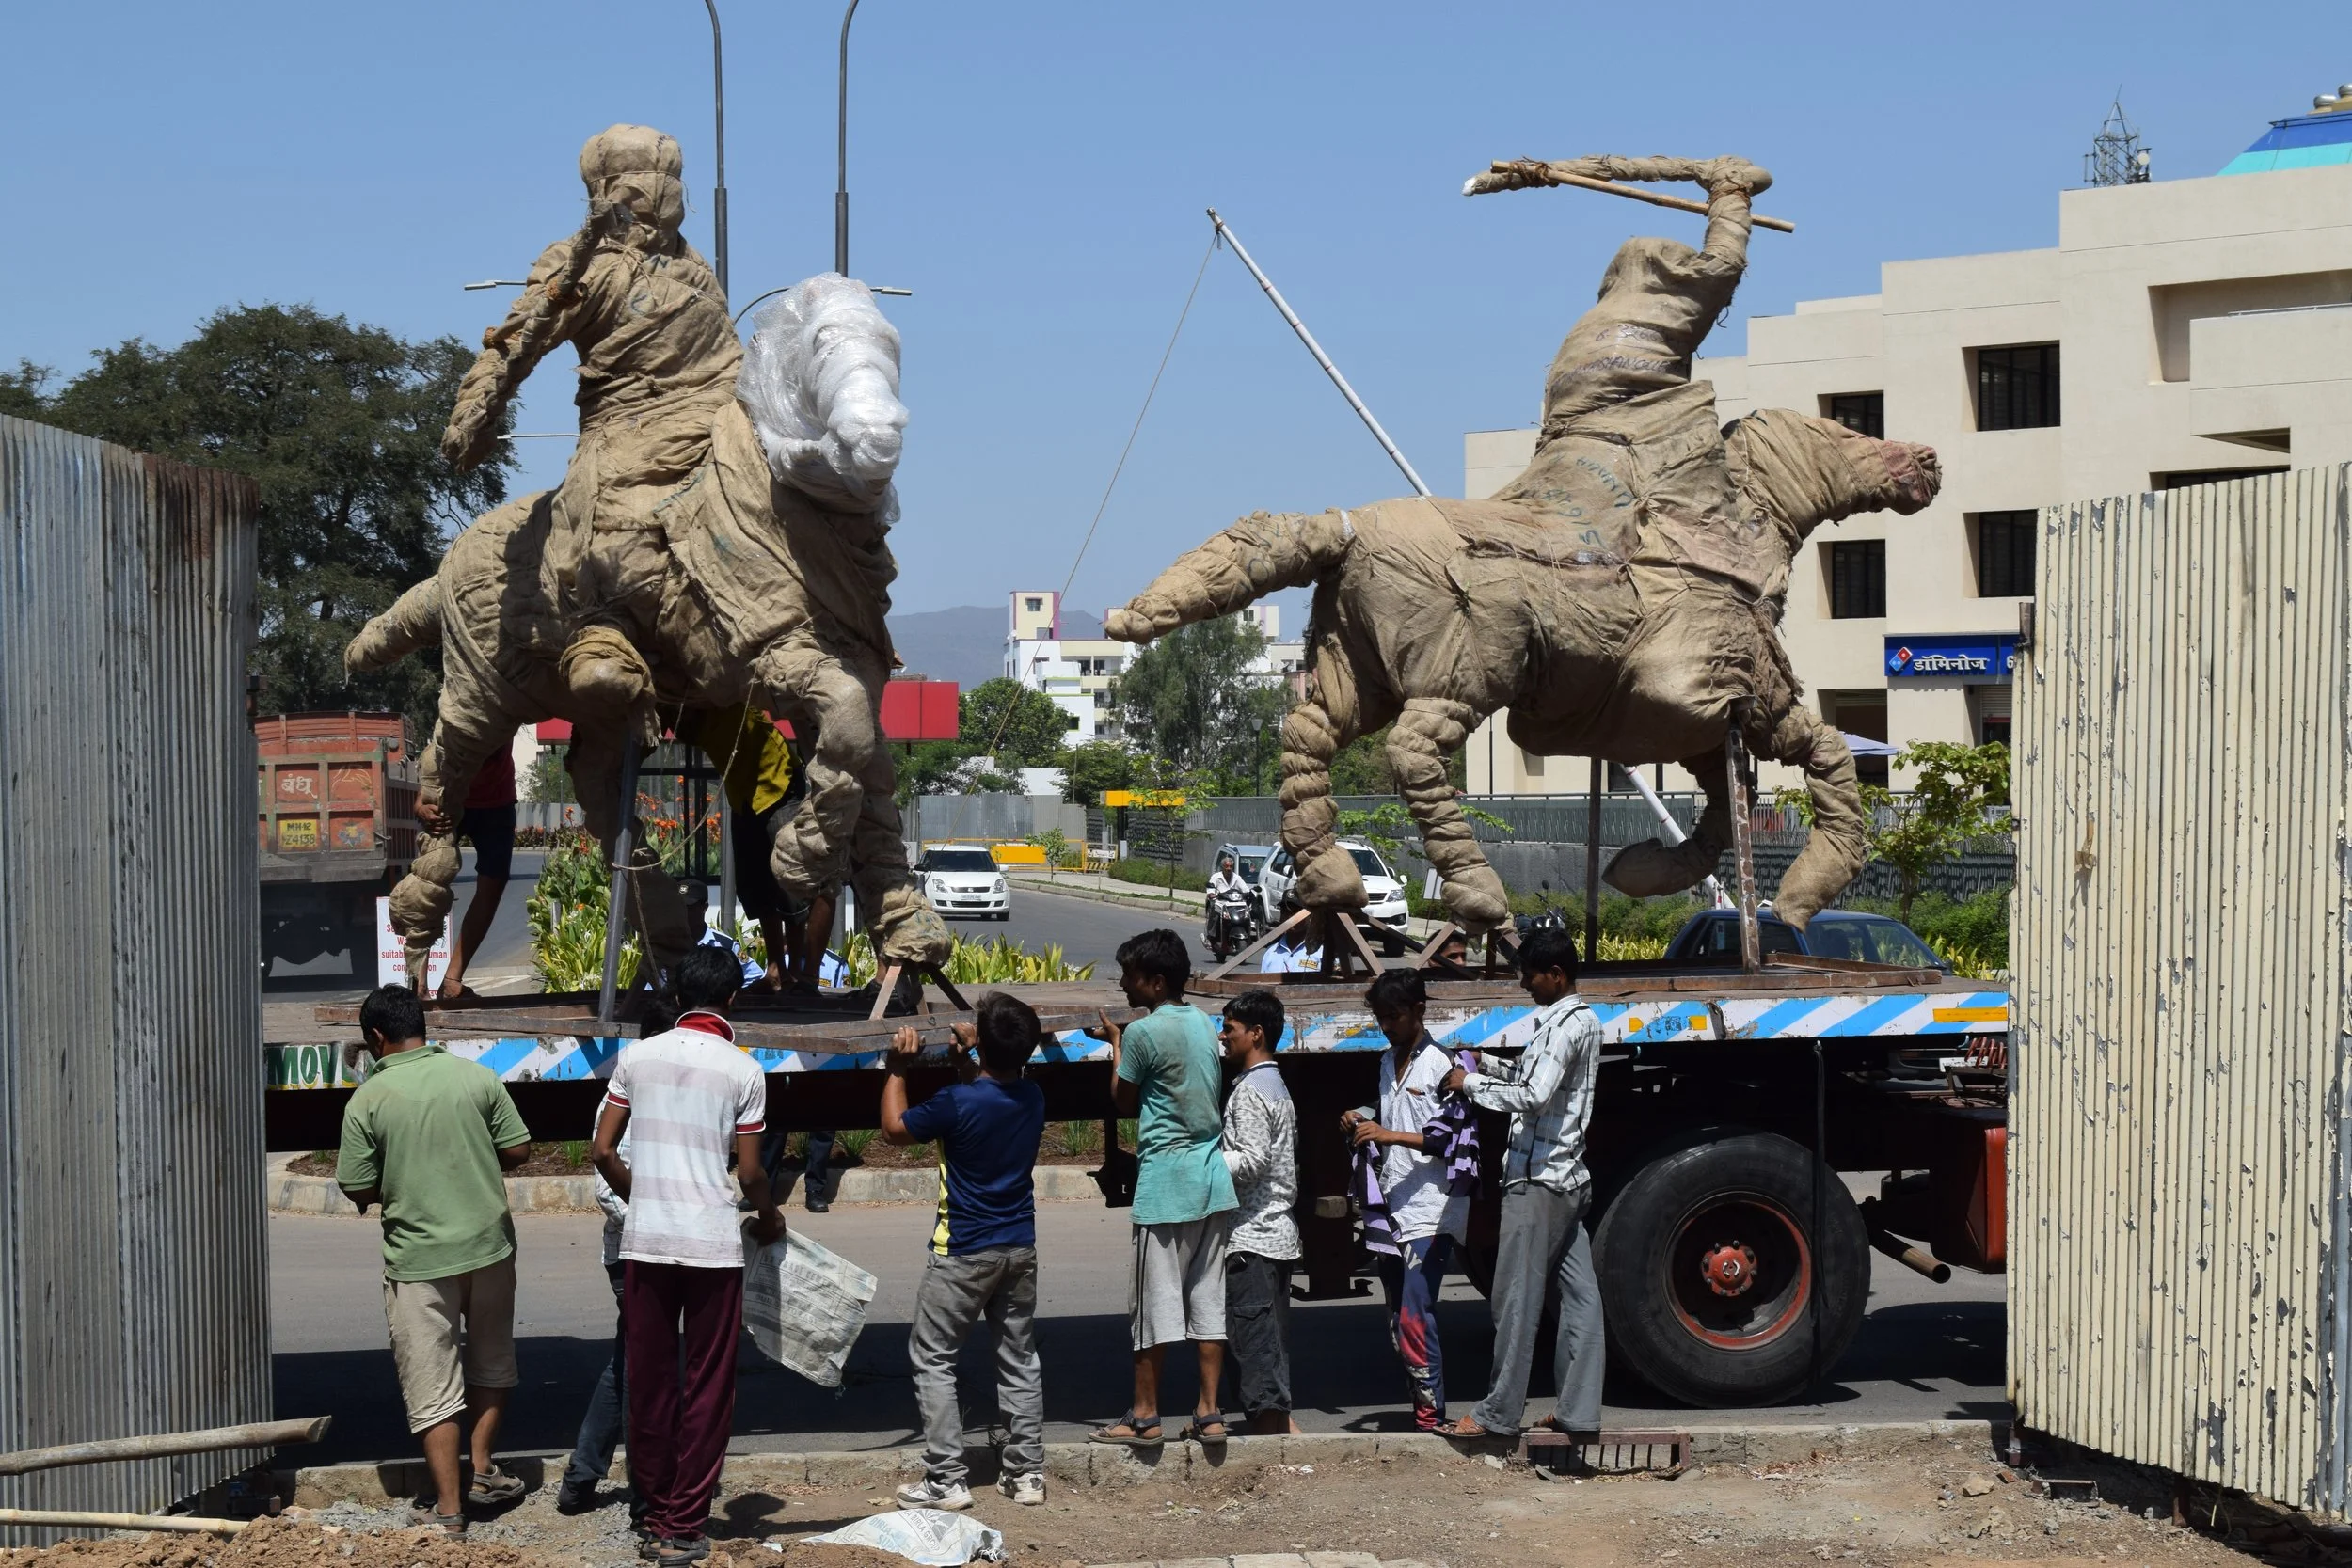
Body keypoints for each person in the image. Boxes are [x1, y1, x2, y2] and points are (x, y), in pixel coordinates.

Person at [590, 946, 786, 1567]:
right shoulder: (744, 1070)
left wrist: (644, 1197)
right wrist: (770, 1216)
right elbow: (750, 1172)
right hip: (711, 1246)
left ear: (678, 997)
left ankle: (653, 1513)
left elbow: (602, 1150)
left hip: (646, 1241)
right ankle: (683, 1524)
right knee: (707, 1385)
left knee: (649, 1382)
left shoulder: (636, 1058)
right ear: (732, 999)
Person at [335, 984, 532, 1535]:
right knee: (492, 1360)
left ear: (377, 1037)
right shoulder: (477, 1078)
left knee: (433, 1384)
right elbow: (517, 1149)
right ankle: (483, 1469)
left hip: (419, 1260)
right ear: (422, 1027)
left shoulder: (368, 1100)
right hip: (489, 1248)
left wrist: (400, 1173)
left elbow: (356, 1184)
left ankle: (449, 1512)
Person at [880, 994, 1050, 1511]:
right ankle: (1027, 1473)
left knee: (932, 1358)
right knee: (1018, 1357)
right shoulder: (1033, 1096)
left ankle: (945, 1479)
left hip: (963, 1250)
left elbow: (894, 1129)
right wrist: (971, 1060)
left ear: (984, 1045)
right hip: (1018, 1246)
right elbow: (989, 1091)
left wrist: (897, 1068)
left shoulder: (956, 1101)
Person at [1438, 928, 1605, 1440]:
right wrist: (1485, 1062)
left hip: (1538, 1183)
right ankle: (1578, 1411)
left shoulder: (1561, 1028)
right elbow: (1534, 1078)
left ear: (1556, 974)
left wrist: (1469, 1083)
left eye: (1530, 976)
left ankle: (1498, 1414)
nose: (1524, 984)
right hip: (1568, 1178)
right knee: (1580, 1299)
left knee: (1515, 1299)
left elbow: (1532, 1095)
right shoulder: (1582, 1021)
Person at [1088, 928, 1236, 1447]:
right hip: (1211, 1180)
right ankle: (1210, 1413)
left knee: (1153, 1308)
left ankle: (1145, 1416)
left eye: (1130, 977)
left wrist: (1116, 1044)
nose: (1123, 986)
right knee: (1208, 1303)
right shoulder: (1203, 1022)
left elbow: (1124, 1100)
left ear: (1155, 982)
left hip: (1166, 1184)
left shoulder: (1144, 1033)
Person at [1344, 969, 1473, 1431]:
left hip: (1433, 1210)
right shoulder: (1387, 1061)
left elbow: (1449, 1138)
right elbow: (1392, 1111)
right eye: (1381, 1017)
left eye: (1394, 1016)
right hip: (1395, 1204)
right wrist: (1361, 1117)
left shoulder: (1444, 1066)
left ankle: (1430, 1416)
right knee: (1399, 1319)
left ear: (1419, 1010)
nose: (1386, 1026)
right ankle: (1422, 1408)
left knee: (1415, 1315)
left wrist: (1386, 1134)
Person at [1217, 990, 1299, 1435]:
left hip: (1253, 1237)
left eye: (1229, 1028)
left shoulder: (1250, 1091)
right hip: (1273, 1235)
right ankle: (1282, 1432)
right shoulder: (1273, 1084)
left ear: (1256, 1034)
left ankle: (1273, 1439)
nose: (1223, 1036)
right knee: (1270, 1343)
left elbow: (1251, 1161)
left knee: (1255, 1345)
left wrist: (1201, 1160)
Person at [436, 744, 517, 1001]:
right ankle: (419, 984)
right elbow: (437, 748)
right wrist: (423, 799)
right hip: (450, 799)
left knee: (493, 884)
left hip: (497, 802)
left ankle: (452, 981)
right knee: (428, 883)